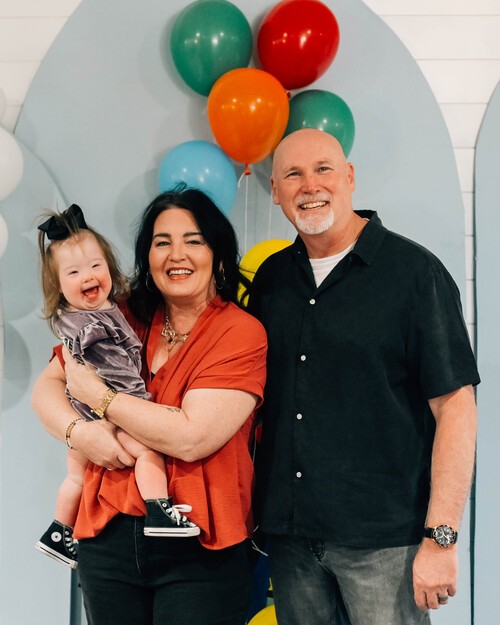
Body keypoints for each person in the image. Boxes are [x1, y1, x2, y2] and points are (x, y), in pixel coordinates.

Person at [247, 128, 479, 625]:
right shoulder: (270, 280)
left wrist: (442, 539)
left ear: (349, 177)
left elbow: (456, 408)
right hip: (291, 540)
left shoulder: (415, 275)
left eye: (323, 169)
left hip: (384, 546)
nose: (310, 185)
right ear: (275, 191)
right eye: (293, 174)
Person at [31, 186, 267, 625]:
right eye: (162, 243)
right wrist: (80, 433)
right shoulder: (119, 316)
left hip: (200, 544)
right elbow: (46, 389)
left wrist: (100, 398)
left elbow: (191, 437)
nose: (177, 255)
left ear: (218, 254)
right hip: (107, 535)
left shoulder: (240, 332)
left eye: (194, 240)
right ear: (147, 257)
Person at [35, 204, 200, 570]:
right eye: (74, 272)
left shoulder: (91, 313)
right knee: (148, 453)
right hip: (105, 418)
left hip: (84, 419)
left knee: (75, 476)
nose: (88, 276)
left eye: (96, 265)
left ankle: (59, 531)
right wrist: (142, 405)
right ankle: (159, 510)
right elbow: (116, 373)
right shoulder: (94, 327)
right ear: (59, 286)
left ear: (109, 267)